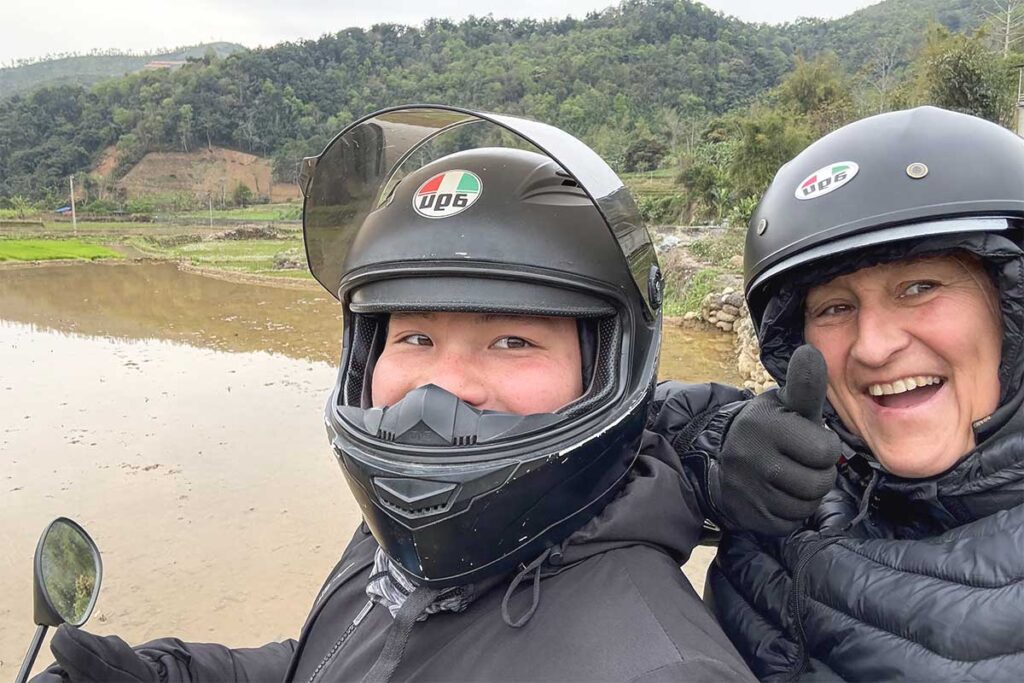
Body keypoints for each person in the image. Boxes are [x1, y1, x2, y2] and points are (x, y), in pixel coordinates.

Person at [35, 105, 828, 682]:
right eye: (412, 336)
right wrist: (169, 674)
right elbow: (332, 661)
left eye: (512, 339)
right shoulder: (408, 533)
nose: (440, 388)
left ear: (608, 369)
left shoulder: (655, 663)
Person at [666, 105, 1024, 680]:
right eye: (835, 307)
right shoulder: (805, 478)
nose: (874, 347)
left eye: (918, 286)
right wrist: (717, 450)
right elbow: (616, 435)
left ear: (1011, 309)